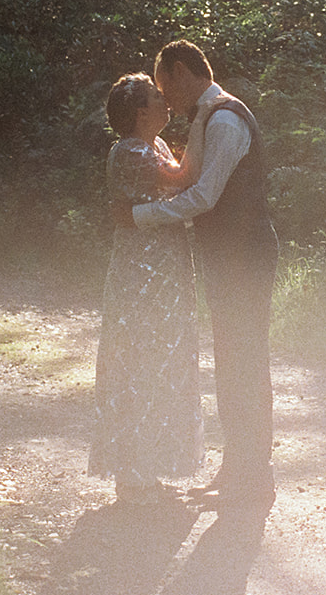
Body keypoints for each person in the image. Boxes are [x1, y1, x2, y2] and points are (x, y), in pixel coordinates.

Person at [118, 39, 278, 512]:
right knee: (232, 360)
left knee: (246, 361)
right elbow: (187, 176)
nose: (165, 98)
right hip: (229, 257)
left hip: (246, 256)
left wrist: (139, 217)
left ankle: (253, 479)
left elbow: (206, 196)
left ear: (184, 72)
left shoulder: (226, 120)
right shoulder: (207, 119)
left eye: (166, 84)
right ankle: (238, 471)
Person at [90, 72, 207, 505]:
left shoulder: (149, 146)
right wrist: (203, 121)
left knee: (157, 362)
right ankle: (134, 479)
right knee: (142, 363)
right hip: (144, 276)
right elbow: (185, 178)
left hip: (159, 269)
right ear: (142, 112)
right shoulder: (132, 151)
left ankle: (145, 474)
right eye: (159, 97)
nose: (167, 103)